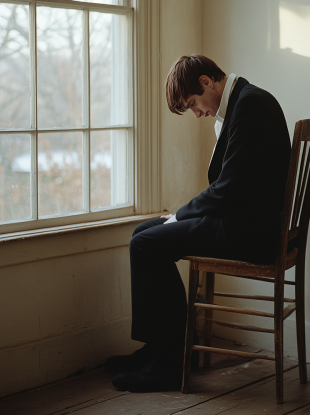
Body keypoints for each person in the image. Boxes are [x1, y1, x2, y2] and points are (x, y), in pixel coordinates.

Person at [106, 54, 291, 392]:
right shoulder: (244, 102)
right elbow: (232, 188)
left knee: (146, 243)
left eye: (193, 104)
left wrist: (179, 214)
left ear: (207, 81)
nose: (197, 113)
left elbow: (228, 190)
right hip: (240, 220)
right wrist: (180, 215)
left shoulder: (250, 106)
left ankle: (170, 362)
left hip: (249, 232)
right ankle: (159, 349)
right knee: (142, 232)